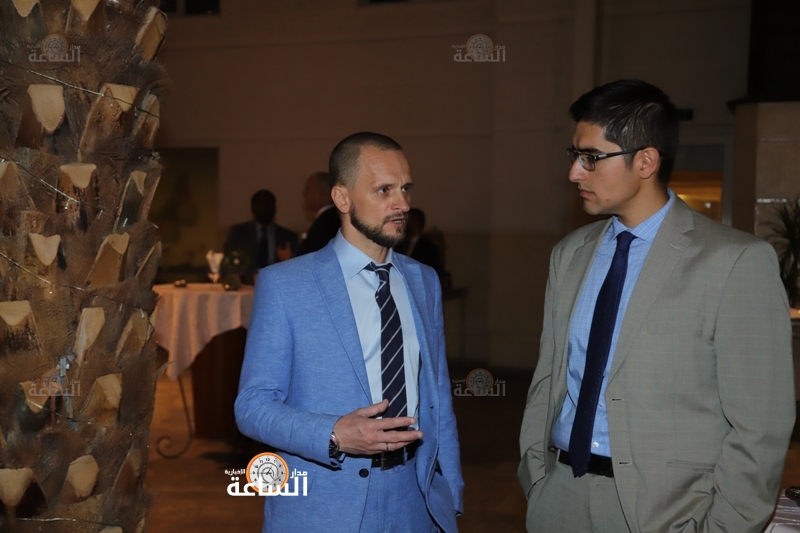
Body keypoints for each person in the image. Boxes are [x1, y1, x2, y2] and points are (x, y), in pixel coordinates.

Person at [518, 79, 794, 532]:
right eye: (574, 155)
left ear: (646, 161)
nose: (575, 173)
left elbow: (761, 424)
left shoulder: (734, 261)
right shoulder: (570, 254)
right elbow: (548, 377)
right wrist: (537, 476)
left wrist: (725, 526)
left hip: (667, 512)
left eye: (591, 157)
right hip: (560, 497)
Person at [235, 132, 464, 532]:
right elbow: (252, 407)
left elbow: (439, 396)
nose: (403, 204)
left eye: (406, 188)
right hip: (323, 504)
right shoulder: (286, 285)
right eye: (384, 190)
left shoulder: (423, 281)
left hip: (415, 501)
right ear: (342, 198)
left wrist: (451, 495)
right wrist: (334, 434)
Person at [223, 189, 298, 284]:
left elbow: (297, 269)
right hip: (246, 285)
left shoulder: (288, 236)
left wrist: (287, 259)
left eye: (269, 205)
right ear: (252, 208)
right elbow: (227, 265)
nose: (265, 208)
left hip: (277, 285)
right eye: (261, 204)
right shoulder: (238, 233)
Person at [296, 171, 341, 255]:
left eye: (307, 189)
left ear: (320, 195)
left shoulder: (325, 223)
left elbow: (310, 254)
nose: (304, 194)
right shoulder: (336, 217)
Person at [395, 207, 443, 277]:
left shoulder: (428, 247)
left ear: (416, 223)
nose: (403, 224)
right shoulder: (400, 244)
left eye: (407, 220)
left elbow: (432, 271)